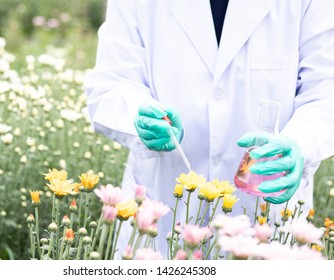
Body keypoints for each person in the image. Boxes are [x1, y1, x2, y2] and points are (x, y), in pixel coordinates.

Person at [84, 0, 334, 256]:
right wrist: (137, 113)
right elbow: (111, 82)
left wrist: (302, 141)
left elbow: (325, 90)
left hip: (267, 210)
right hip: (162, 209)